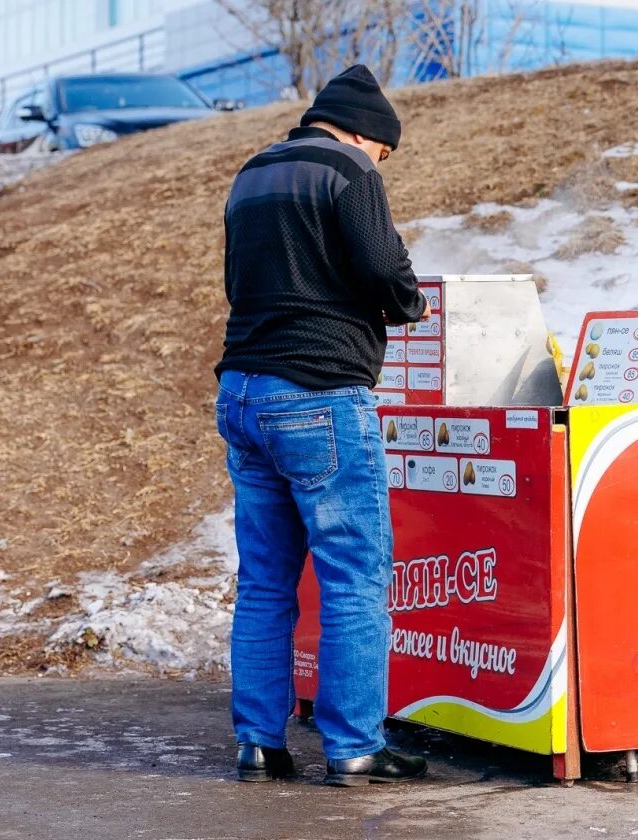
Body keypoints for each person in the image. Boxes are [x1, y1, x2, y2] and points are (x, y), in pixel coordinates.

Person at [214, 64, 430, 787]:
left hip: (242, 392)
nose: (381, 165)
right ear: (368, 135)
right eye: (385, 155)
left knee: (266, 582)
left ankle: (258, 745)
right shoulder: (347, 169)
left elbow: (237, 284)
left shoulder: (252, 171)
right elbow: (383, 268)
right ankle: (354, 748)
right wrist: (408, 300)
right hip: (319, 396)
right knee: (353, 578)